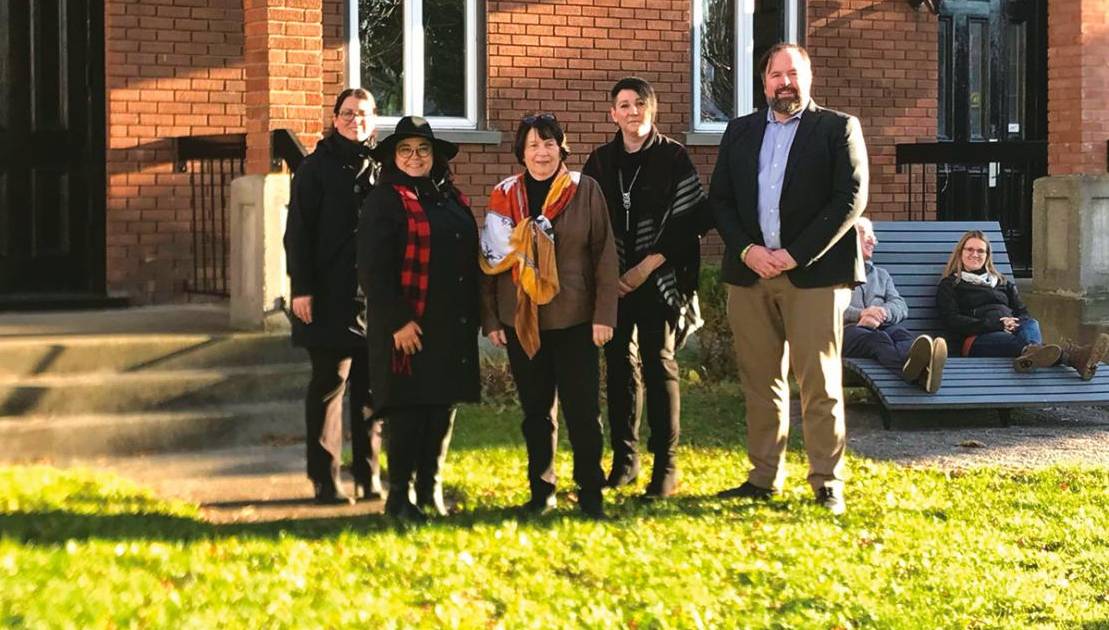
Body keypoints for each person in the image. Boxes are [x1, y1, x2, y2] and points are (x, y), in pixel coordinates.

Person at [708, 43, 869, 515]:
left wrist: (795, 255)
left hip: (814, 276)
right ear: (764, 83)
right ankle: (763, 477)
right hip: (750, 273)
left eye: (793, 74)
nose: (785, 83)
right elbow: (720, 200)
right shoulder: (739, 132)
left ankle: (826, 481)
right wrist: (747, 250)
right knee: (761, 382)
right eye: (777, 75)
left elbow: (850, 198)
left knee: (818, 382)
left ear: (809, 77)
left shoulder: (837, 128)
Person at [480, 113, 618, 518]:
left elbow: (604, 256)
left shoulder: (584, 190)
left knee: (583, 412)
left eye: (549, 144)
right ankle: (541, 491)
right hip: (521, 320)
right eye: (533, 145)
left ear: (562, 147)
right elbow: (489, 261)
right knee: (536, 412)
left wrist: (604, 315)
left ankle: (590, 492)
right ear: (521, 153)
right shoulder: (504, 195)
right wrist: (490, 319)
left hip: (576, 321)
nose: (541, 152)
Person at [581, 77, 712, 498]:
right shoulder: (600, 162)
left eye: (640, 104)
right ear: (612, 113)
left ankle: (666, 466)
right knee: (618, 367)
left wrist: (643, 268)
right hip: (612, 281)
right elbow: (587, 222)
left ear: (651, 110)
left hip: (660, 277)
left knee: (659, 364)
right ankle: (625, 460)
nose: (632, 111)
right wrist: (610, 275)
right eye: (624, 105)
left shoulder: (674, 157)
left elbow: (689, 221)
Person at [357, 116, 481, 522]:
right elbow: (373, 269)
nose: (415, 157)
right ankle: (400, 498)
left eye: (423, 150)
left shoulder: (450, 197)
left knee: (440, 410)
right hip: (406, 329)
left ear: (435, 156)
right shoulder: (384, 200)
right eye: (406, 150)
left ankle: (430, 490)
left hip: (448, 325)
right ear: (394, 157)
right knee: (408, 413)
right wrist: (398, 321)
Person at [283, 88, 381, 505]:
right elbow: (297, 234)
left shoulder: (384, 166)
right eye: (346, 113)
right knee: (329, 385)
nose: (354, 120)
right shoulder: (314, 168)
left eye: (362, 114)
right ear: (334, 117)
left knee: (372, 392)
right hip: (327, 295)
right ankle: (325, 479)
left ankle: (369, 475)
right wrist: (301, 289)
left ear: (373, 120)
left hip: (375, 299)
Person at [937, 230, 1109, 379]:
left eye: (981, 251)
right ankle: (1073, 357)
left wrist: (1014, 323)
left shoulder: (1002, 282)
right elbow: (952, 321)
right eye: (970, 249)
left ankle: (1030, 356)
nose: (975, 254)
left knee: (1031, 323)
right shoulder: (951, 284)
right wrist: (996, 324)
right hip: (976, 339)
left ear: (987, 256)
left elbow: (1023, 312)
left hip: (1013, 333)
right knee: (1018, 342)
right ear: (960, 253)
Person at [844, 217, 946, 393]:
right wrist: (861, 314)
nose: (873, 240)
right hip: (847, 332)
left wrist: (883, 312)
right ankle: (921, 374)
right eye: (866, 234)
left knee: (904, 336)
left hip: (883, 326)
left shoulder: (882, 275)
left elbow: (900, 305)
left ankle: (919, 373)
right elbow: (827, 307)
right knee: (878, 339)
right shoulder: (834, 274)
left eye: (873, 236)